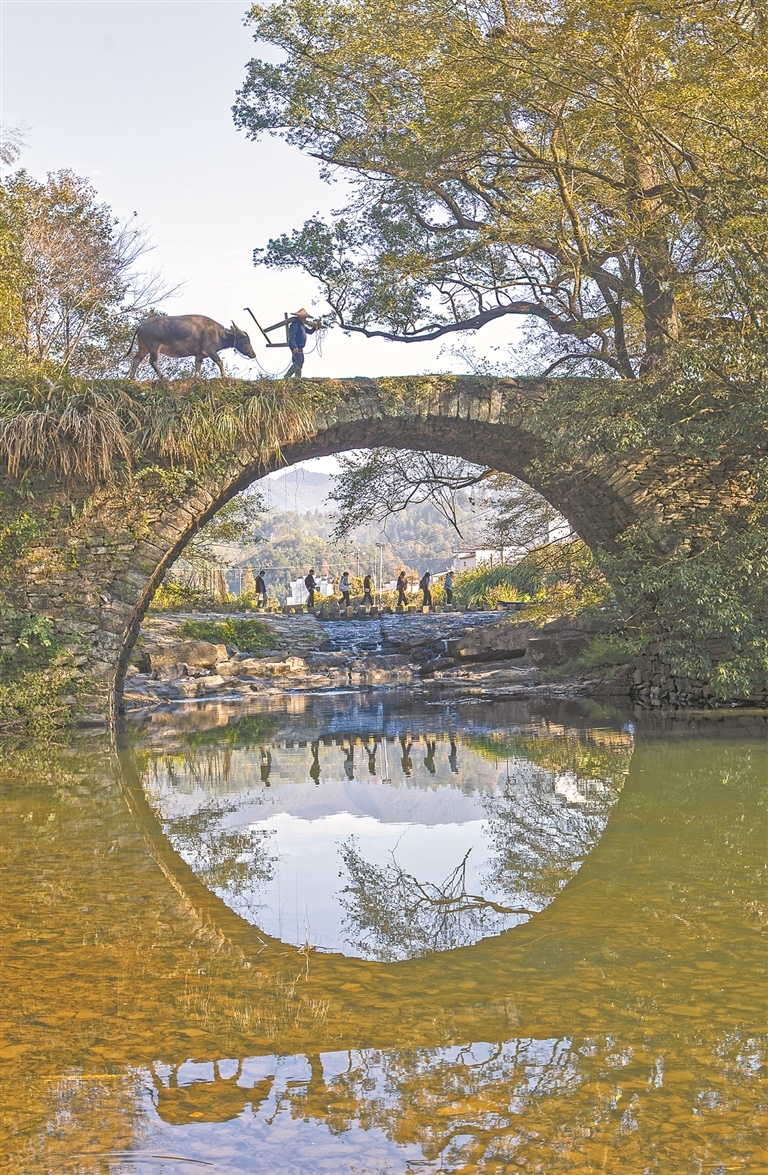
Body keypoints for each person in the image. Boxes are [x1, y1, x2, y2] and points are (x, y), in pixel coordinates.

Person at [286, 308, 318, 379]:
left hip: (299, 346)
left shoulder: (301, 325)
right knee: (299, 361)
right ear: (300, 317)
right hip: (296, 346)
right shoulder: (295, 324)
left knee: (299, 362)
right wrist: (294, 346)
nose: (305, 318)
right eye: (304, 317)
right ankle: (287, 376)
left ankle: (297, 378)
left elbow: (309, 331)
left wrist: (315, 328)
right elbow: (292, 335)